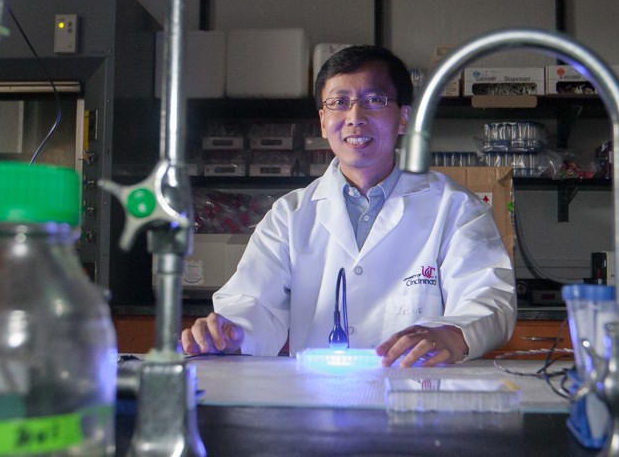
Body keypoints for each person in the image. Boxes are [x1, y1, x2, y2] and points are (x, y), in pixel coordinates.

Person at [180, 45, 515, 367]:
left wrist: (453, 335)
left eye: (374, 100)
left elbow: (490, 300)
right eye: (339, 102)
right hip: (316, 404)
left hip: (416, 399)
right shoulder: (290, 214)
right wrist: (230, 333)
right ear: (323, 121)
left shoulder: (454, 208)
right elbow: (254, 303)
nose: (355, 117)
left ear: (403, 118)